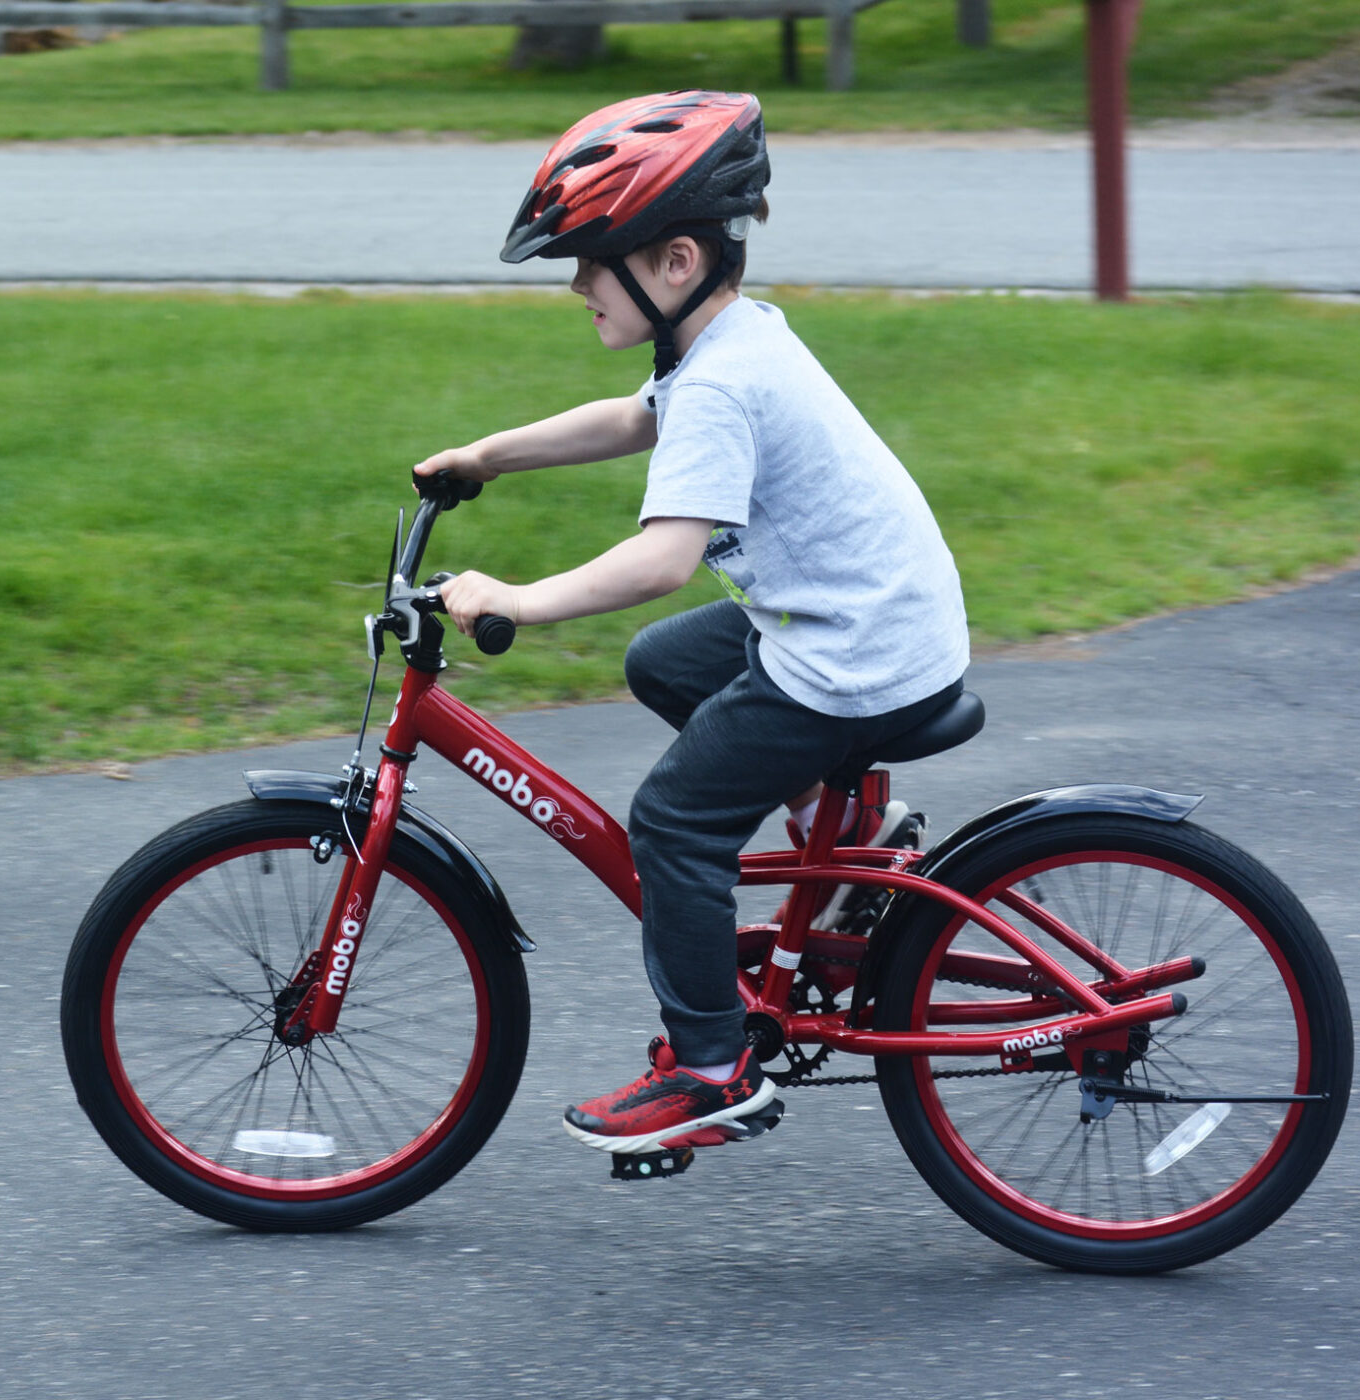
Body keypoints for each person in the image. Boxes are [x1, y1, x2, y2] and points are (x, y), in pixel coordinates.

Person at [412, 90, 970, 1157]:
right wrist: (488, 453)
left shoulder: (722, 383)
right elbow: (635, 417)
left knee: (672, 822)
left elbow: (664, 557)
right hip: (869, 620)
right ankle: (851, 845)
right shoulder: (723, 345)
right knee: (666, 663)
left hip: (851, 652)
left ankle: (712, 1064)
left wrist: (516, 598)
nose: (575, 284)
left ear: (673, 261)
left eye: (590, 259)